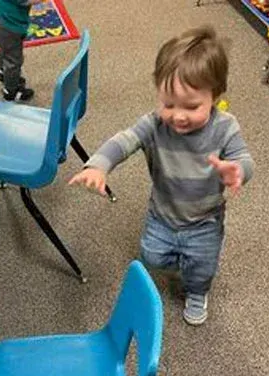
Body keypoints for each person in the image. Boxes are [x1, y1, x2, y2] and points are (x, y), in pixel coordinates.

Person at [69, 26, 254, 325]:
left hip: (205, 221)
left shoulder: (225, 127)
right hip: (161, 214)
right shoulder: (154, 124)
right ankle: (176, 264)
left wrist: (237, 170)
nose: (178, 115)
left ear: (216, 97)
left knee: (201, 267)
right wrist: (98, 165)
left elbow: (245, 159)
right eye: (168, 104)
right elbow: (124, 140)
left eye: (192, 106)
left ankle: (196, 292)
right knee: (152, 256)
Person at [0, 0, 42, 102]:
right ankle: (11, 91)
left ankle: (3, 72)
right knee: (14, 60)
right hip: (7, 24)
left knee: (6, 48)